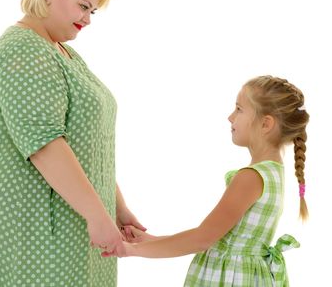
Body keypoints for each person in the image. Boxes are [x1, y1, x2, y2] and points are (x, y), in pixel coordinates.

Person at [0, 0, 145, 286]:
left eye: (92, 11)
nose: (87, 19)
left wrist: (116, 207)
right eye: (83, 6)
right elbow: (45, 145)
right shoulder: (23, 50)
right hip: (36, 228)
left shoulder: (62, 52)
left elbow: (85, 145)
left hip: (75, 224)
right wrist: (97, 215)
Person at [104, 75, 310, 286]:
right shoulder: (273, 173)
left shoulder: (250, 178)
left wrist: (133, 250)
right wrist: (149, 240)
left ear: (265, 124)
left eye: (239, 109)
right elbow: (219, 237)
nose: (230, 117)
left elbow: (203, 238)